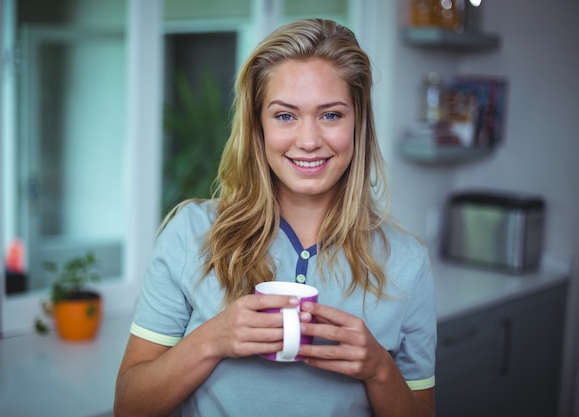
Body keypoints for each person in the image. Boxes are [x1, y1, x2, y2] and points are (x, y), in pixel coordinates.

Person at [114, 18, 436, 417]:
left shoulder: (408, 262)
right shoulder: (190, 233)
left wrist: (378, 370)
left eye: (331, 115)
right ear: (258, 127)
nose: (308, 140)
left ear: (358, 124)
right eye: (285, 116)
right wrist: (212, 338)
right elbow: (129, 406)